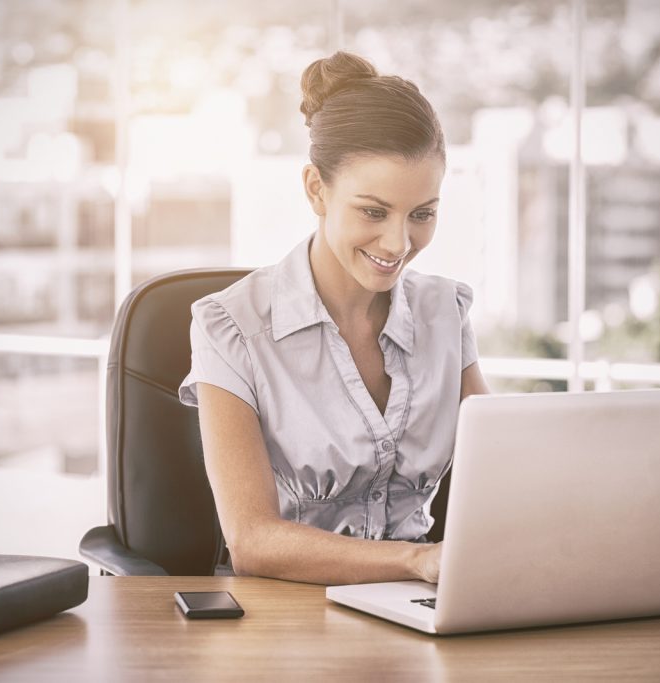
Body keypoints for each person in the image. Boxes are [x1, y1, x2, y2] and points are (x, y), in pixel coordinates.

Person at [179, 51, 488, 586]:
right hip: (281, 615)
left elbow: (501, 475)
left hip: (417, 607)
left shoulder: (446, 313)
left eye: (422, 214)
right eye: (373, 212)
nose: (398, 243)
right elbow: (252, 541)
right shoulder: (230, 328)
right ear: (316, 189)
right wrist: (413, 560)